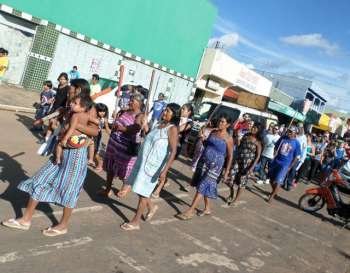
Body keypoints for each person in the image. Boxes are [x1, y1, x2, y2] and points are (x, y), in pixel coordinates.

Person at [2, 79, 99, 236]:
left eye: (72, 89)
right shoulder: (69, 106)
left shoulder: (89, 108)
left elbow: (95, 132)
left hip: (76, 156)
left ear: (80, 90)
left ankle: (63, 225)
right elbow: (58, 121)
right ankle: (25, 220)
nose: (69, 91)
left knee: (69, 189)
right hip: (60, 151)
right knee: (40, 180)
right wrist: (57, 123)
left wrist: (74, 125)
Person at [119, 103, 180, 230]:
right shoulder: (158, 125)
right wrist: (145, 125)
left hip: (153, 167)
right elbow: (148, 137)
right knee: (140, 190)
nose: (164, 113)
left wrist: (164, 171)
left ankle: (136, 222)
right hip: (143, 162)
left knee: (143, 192)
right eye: (165, 110)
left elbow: (173, 151)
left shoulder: (172, 129)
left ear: (174, 114)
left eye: (168, 111)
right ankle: (151, 207)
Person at [177, 114, 233, 220]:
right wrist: (202, 138)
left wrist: (226, 172)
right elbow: (207, 144)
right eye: (220, 121)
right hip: (204, 161)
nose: (220, 123)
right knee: (202, 184)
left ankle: (190, 211)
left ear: (228, 124)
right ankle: (207, 208)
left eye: (223, 122)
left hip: (216, 166)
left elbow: (230, 156)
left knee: (202, 186)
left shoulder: (228, 139)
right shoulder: (213, 132)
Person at [101, 94, 146, 197]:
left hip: (126, 148)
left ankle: (126, 186)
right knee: (110, 168)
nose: (129, 102)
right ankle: (107, 189)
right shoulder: (125, 111)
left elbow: (136, 128)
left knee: (124, 171)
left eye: (132, 100)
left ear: (138, 103)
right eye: (130, 100)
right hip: (114, 144)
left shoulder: (140, 115)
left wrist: (123, 129)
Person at [55, 93, 97, 165]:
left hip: (73, 141)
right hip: (82, 140)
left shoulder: (75, 115)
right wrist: (99, 123)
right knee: (91, 142)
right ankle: (90, 159)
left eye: (75, 103)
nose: (71, 104)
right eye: (72, 102)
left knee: (59, 144)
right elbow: (96, 121)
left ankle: (58, 159)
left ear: (83, 107)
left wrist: (65, 139)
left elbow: (72, 128)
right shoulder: (87, 115)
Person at [227, 124, 262, 205]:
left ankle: (236, 200)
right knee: (231, 178)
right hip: (238, 159)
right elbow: (239, 146)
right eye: (253, 127)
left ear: (258, 131)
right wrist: (238, 139)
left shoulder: (258, 141)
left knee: (242, 182)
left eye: (255, 128)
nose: (253, 128)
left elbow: (258, 156)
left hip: (247, 164)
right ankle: (232, 194)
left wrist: (251, 168)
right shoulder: (246, 135)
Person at [267, 126, 301, 203]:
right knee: (271, 180)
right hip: (276, 161)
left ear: (295, 133)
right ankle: (274, 191)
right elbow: (276, 147)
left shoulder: (297, 143)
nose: (289, 133)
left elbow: (297, 157)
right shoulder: (283, 138)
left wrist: (290, 166)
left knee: (277, 181)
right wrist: (274, 152)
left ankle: (272, 196)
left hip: (285, 165)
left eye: (291, 132)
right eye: (288, 131)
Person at [87, 103, 111, 170]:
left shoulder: (104, 119)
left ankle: (100, 164)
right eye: (100, 111)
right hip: (90, 133)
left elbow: (107, 129)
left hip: (97, 136)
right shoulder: (93, 117)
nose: (102, 113)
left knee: (96, 151)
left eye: (104, 111)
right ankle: (90, 160)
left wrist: (112, 135)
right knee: (88, 148)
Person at [284, 123, 307, 190]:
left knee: (292, 171)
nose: (299, 128)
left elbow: (304, 150)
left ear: (302, 128)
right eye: (298, 127)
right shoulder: (293, 135)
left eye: (300, 127)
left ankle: (289, 184)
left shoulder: (304, 138)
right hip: (289, 155)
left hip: (297, 158)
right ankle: (283, 182)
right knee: (286, 168)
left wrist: (302, 160)